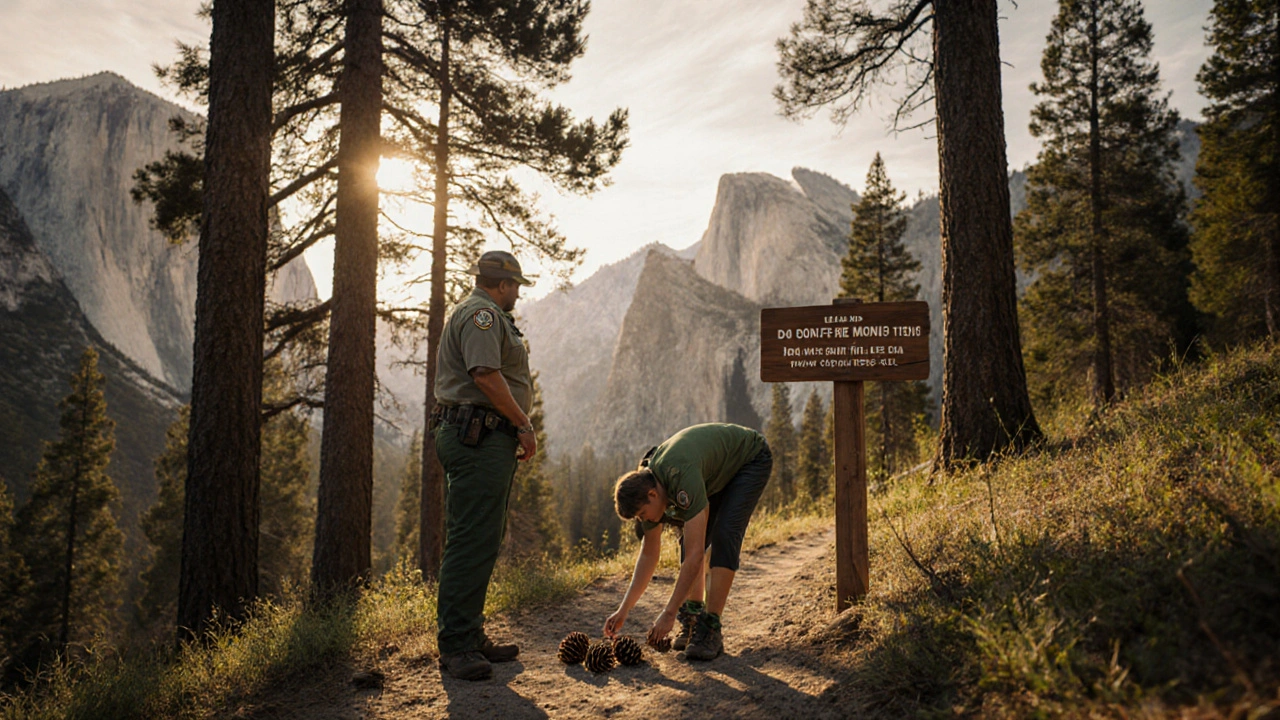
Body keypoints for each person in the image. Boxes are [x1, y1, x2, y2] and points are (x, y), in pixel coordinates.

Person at [431, 250, 538, 681]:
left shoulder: (482, 313)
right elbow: (485, 375)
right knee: (471, 539)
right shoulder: (483, 316)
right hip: (477, 436)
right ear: (503, 284)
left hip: (483, 437)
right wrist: (523, 423)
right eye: (516, 286)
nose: (517, 294)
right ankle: (456, 645)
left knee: (482, 537)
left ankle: (470, 634)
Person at [603, 423, 772, 661]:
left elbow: (695, 558)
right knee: (691, 539)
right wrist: (624, 609)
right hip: (714, 473)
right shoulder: (648, 485)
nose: (645, 520)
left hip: (750, 460)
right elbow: (649, 555)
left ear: (652, 495)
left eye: (643, 515)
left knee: (724, 535)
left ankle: (711, 627)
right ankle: (693, 619)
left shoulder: (679, 475)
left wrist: (669, 612)